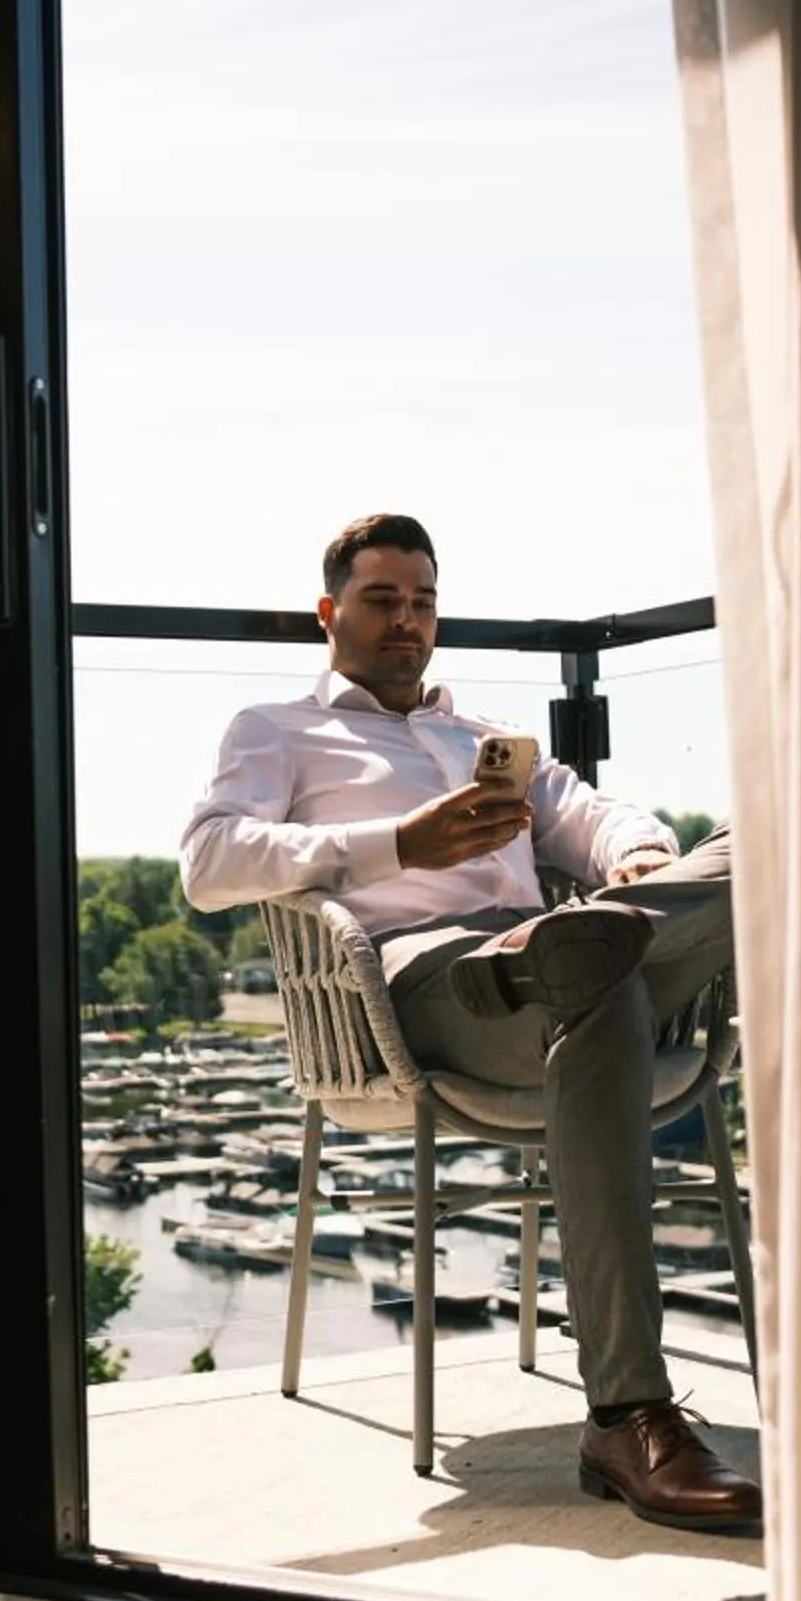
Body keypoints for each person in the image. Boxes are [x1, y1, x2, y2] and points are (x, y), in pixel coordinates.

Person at [178, 513, 758, 1533]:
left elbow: (597, 813)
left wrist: (633, 857)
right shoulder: (274, 730)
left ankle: (607, 930)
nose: (408, 620)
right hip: (431, 981)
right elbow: (211, 864)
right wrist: (401, 840)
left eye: (424, 600)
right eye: (382, 599)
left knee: (765, 841)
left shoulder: (483, 740)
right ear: (331, 613)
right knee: (595, 982)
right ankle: (628, 1409)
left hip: (558, 957)